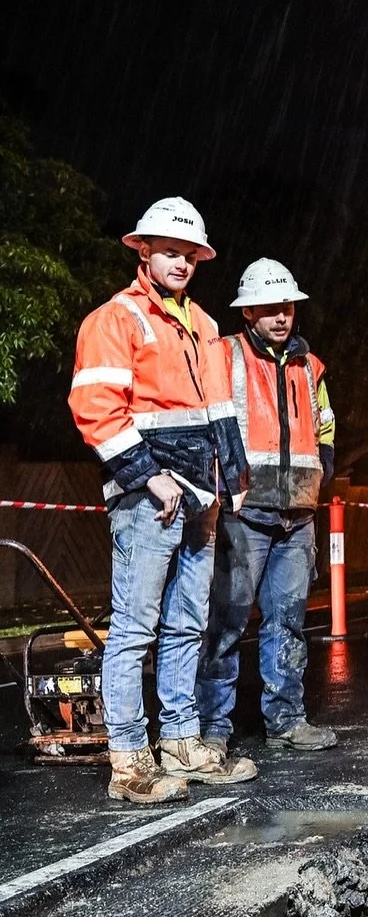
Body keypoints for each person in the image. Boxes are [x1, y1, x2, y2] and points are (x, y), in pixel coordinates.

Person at [69, 198, 255, 804]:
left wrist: (235, 472)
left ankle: (180, 740)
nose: (181, 261)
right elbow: (96, 409)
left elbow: (219, 410)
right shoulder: (115, 319)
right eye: (170, 251)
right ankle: (129, 761)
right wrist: (148, 475)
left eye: (190, 253)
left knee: (187, 624)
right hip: (150, 497)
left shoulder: (201, 323)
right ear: (143, 251)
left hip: (202, 493)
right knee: (134, 629)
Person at [197, 259, 339, 757]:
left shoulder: (310, 365)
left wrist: (324, 467)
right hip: (243, 512)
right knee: (227, 622)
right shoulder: (226, 356)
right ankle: (212, 728)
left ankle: (286, 721)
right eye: (271, 307)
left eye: (288, 307)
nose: (282, 316)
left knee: (287, 621)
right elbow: (210, 422)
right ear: (249, 310)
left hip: (298, 514)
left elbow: (324, 425)